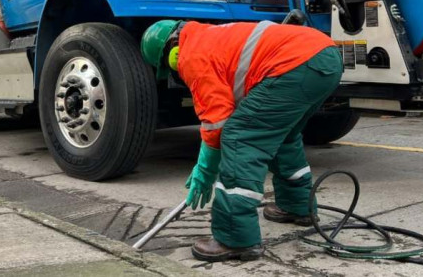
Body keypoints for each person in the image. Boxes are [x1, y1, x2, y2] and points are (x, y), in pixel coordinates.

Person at [141, 20, 343, 262]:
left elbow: (217, 124)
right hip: (326, 57)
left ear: (173, 48)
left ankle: (234, 239)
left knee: (240, 137)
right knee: (282, 137)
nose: (174, 69)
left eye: (169, 64)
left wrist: (205, 170)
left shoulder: (191, 54)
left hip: (296, 64)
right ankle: (297, 206)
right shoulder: (211, 34)